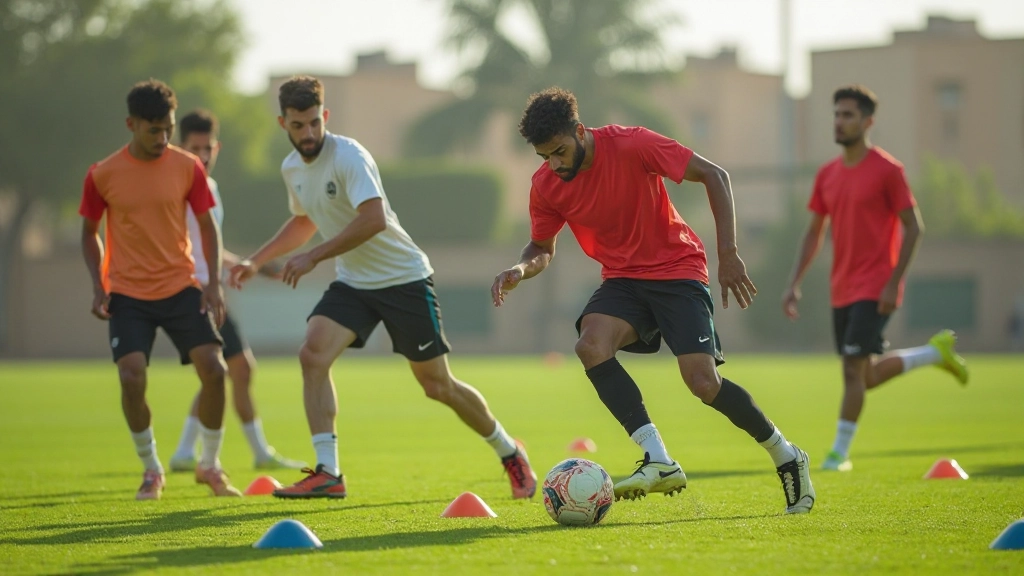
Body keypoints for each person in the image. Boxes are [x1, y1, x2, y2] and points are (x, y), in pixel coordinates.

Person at [492, 87, 814, 514]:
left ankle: (786, 454)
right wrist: (519, 270)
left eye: (559, 151)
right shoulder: (547, 185)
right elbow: (541, 248)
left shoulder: (632, 143)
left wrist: (729, 254)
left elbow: (715, 175)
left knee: (702, 383)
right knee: (590, 345)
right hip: (624, 279)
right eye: (544, 157)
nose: (554, 164)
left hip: (677, 269)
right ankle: (658, 459)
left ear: (580, 132)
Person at [230, 75, 536, 499]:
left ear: (326, 116)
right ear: (283, 124)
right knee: (312, 353)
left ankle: (509, 452)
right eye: (298, 126)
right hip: (354, 282)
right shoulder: (292, 169)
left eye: (314, 122)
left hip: (403, 279)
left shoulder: (348, 156)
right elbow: (304, 220)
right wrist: (256, 260)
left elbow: (372, 220)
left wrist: (315, 256)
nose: (308, 133)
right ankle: (329, 473)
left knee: (437, 386)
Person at [782, 85, 968, 472]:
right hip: (841, 289)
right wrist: (793, 283)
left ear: (868, 122)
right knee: (863, 376)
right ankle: (934, 354)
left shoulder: (888, 170)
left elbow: (914, 228)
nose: (840, 121)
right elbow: (814, 232)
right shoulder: (828, 175)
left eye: (848, 115)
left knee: (851, 370)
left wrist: (892, 282)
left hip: (875, 285)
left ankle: (838, 454)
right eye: (836, 114)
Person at [79, 80, 241, 500]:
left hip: (181, 287)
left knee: (215, 370)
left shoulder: (188, 167)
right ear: (131, 124)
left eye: (168, 128)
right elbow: (88, 233)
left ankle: (210, 464)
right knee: (131, 377)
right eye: (154, 130)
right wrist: (99, 285)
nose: (163, 138)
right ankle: (152, 469)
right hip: (128, 295)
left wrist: (213, 285)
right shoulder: (102, 174)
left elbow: (208, 226)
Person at [168, 109, 305, 472]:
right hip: (193, 291)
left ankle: (191, 452)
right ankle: (234, 453)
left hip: (210, 290)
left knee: (231, 371)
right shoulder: (176, 189)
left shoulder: (209, 189)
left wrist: (252, 266)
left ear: (218, 147)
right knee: (231, 369)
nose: (203, 155)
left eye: (208, 147)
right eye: (195, 148)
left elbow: (209, 248)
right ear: (181, 147)